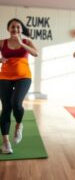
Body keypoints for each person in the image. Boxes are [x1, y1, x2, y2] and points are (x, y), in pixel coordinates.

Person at [0, 18, 38, 154]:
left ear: (21, 29)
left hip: (24, 76)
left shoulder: (26, 42)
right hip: (4, 76)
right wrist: (0, 59)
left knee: (16, 103)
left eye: (18, 27)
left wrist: (21, 43)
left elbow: (36, 53)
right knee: (6, 108)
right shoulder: (2, 42)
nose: (15, 29)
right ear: (8, 29)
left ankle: (18, 125)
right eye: (12, 27)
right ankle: (6, 143)